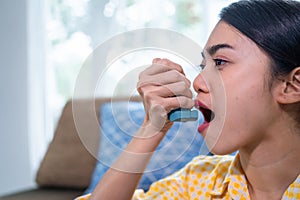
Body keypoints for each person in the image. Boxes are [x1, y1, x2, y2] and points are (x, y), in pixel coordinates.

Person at [77, 0, 300, 199]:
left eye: (220, 62)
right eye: (204, 66)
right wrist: (151, 128)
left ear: (292, 85)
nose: (197, 83)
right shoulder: (196, 182)